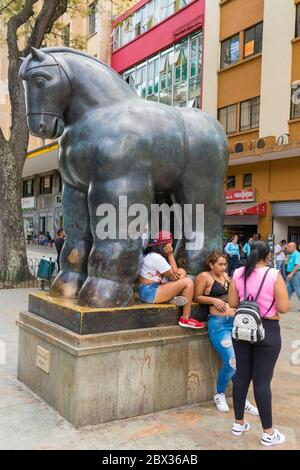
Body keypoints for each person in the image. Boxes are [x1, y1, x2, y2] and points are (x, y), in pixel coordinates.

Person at [228, 241, 289, 446]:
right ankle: (268, 433)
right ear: (268, 254)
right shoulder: (273, 275)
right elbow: (284, 307)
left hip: (242, 329)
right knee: (262, 381)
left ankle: (238, 423)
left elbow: (233, 304)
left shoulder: (237, 273)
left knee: (242, 375)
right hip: (267, 330)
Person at [194, 251, 258, 415]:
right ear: (211, 264)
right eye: (220, 264)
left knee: (241, 363)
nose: (224, 267)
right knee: (232, 362)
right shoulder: (204, 277)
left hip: (235, 324)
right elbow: (197, 296)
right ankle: (220, 394)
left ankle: (241, 398)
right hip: (219, 325)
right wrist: (214, 300)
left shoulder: (228, 278)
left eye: (225, 264)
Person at [138, 230, 204, 329]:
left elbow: (176, 273)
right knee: (188, 282)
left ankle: (171, 299)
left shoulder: (152, 255)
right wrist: (170, 254)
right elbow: (174, 274)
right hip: (150, 292)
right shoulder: (156, 258)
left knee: (182, 271)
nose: (171, 247)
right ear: (166, 246)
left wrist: (173, 275)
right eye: (170, 244)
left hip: (149, 289)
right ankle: (185, 318)